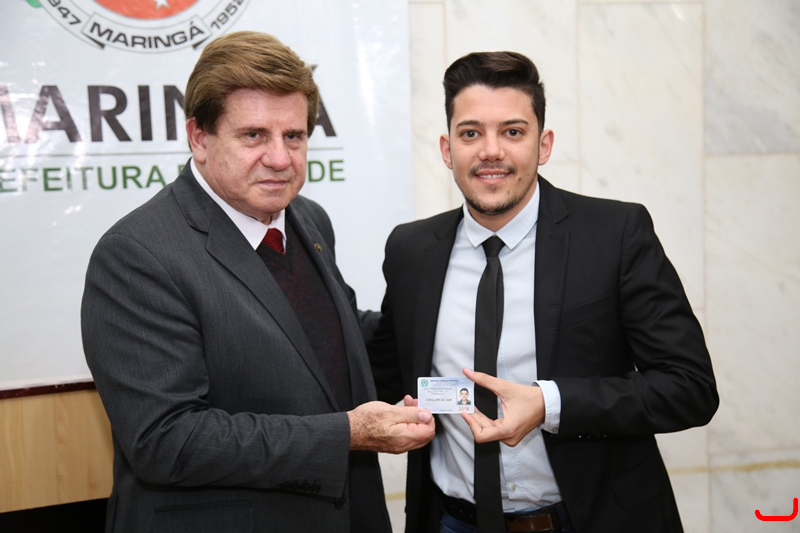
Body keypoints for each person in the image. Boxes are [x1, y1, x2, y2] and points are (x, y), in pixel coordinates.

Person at [81, 31, 434, 533]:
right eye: (254, 136)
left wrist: (435, 318)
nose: (280, 158)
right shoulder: (137, 254)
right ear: (199, 138)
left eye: (294, 136)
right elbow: (167, 441)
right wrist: (348, 433)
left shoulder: (308, 218)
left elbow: (321, 342)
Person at [368, 51, 718, 533]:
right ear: (447, 150)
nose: (491, 151)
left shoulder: (614, 234)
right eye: (471, 133)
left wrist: (549, 404)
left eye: (513, 132)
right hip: (452, 521)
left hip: (590, 520)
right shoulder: (411, 249)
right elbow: (386, 377)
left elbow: (690, 387)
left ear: (543, 144)